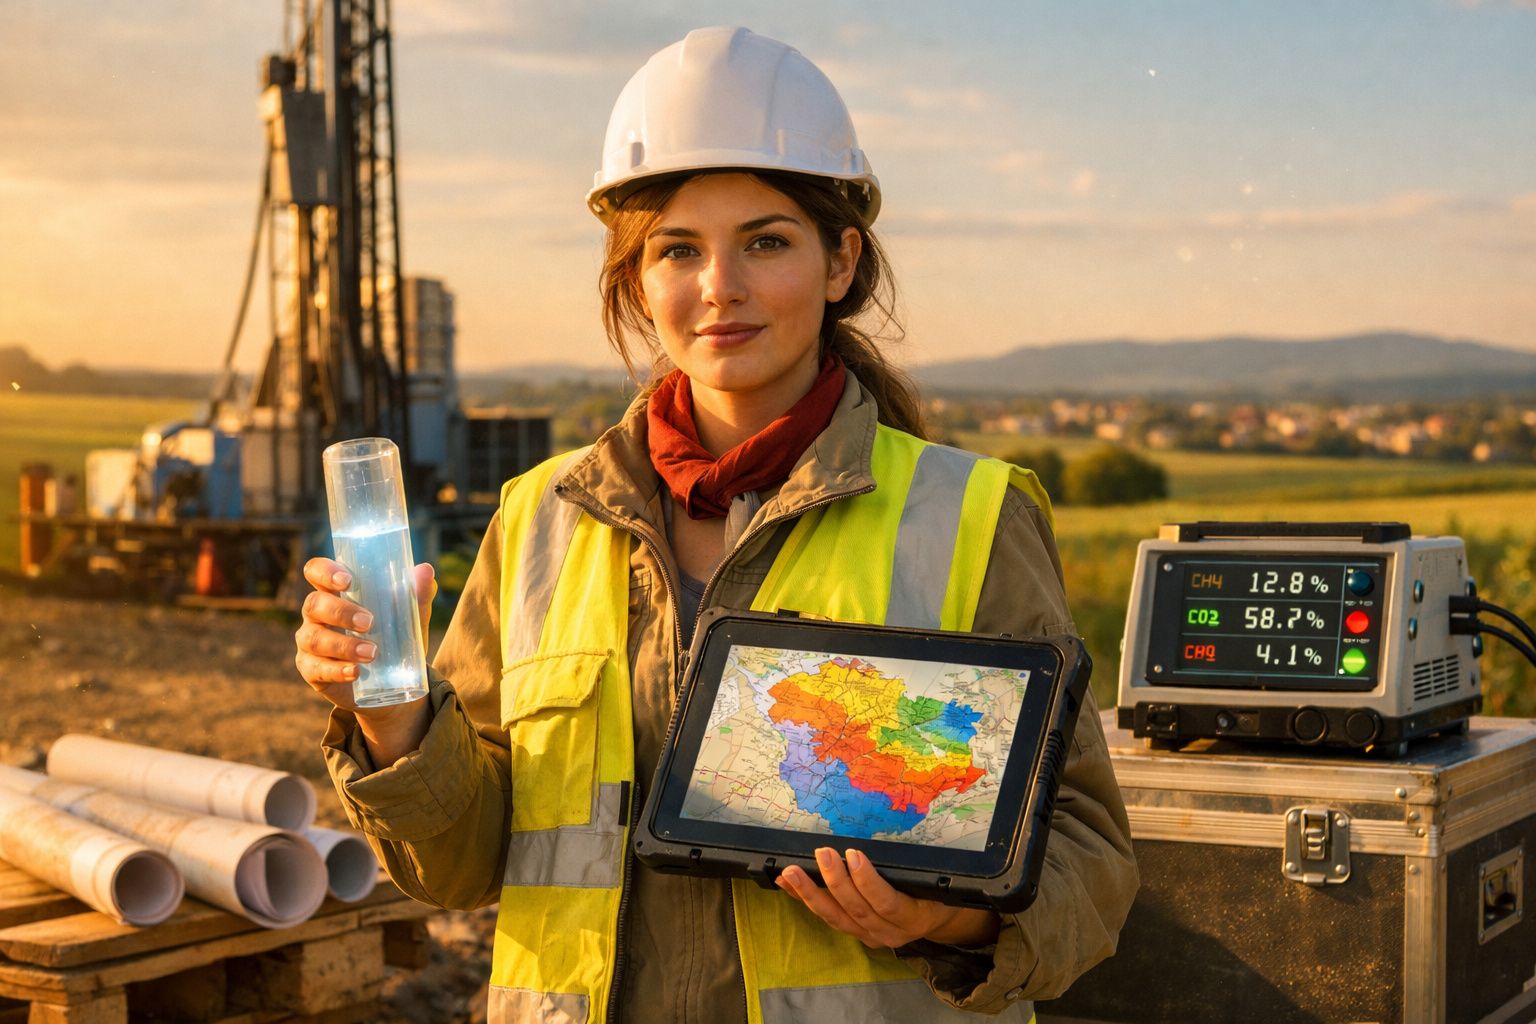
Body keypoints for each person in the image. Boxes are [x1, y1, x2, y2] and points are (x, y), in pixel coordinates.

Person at [294, 26, 1137, 1024]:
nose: (718, 287)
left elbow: (1089, 855)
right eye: (678, 249)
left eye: (766, 242)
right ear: (638, 281)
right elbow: (467, 865)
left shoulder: (969, 516)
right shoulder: (540, 518)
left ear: (840, 261)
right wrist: (395, 720)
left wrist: (946, 924)